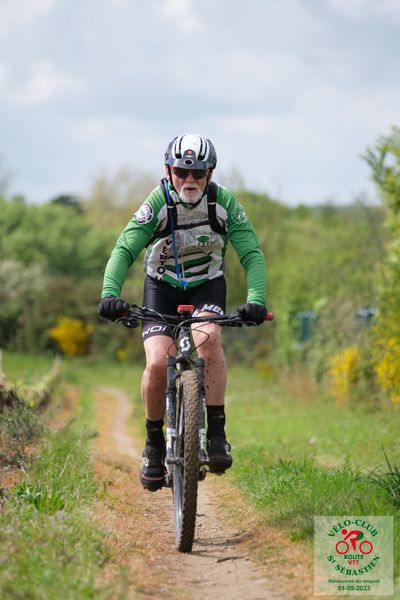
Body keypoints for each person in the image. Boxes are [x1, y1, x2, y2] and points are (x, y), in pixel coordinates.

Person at [99, 134, 267, 492]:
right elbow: (124, 249)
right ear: (168, 171)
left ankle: (217, 433)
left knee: (210, 339)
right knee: (158, 363)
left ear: (210, 174)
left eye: (198, 173)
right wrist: (110, 294)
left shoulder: (223, 203)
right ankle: (153, 445)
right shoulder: (157, 203)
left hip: (207, 285)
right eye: (181, 172)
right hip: (162, 287)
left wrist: (256, 298)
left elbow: (252, 254)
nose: (189, 180)